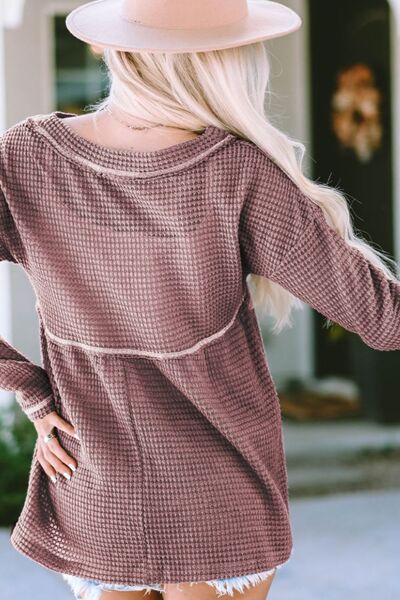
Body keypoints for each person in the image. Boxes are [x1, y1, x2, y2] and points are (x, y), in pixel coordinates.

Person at [1, 1, 400, 599]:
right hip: (217, 490)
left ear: (122, 52)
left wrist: (28, 388)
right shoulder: (238, 173)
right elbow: (385, 319)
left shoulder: (26, 155)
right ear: (228, 63)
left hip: (96, 482)